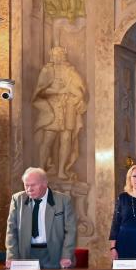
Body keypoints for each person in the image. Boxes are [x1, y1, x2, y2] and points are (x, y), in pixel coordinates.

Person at [32, 46, 88, 182]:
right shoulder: (47, 70)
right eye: (55, 54)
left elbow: (80, 89)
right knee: (48, 138)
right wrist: (56, 91)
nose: (58, 57)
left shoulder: (70, 71)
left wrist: (76, 96)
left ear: (64, 56)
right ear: (51, 56)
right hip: (52, 107)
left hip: (68, 106)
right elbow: (40, 91)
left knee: (67, 138)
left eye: (60, 54)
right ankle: (41, 169)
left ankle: (62, 170)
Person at [5, 167, 77, 269]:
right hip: (26, 255)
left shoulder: (63, 200)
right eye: (26, 185)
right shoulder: (17, 199)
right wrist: (11, 257)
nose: (29, 189)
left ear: (45, 183)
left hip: (55, 255)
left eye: (33, 185)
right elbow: (11, 231)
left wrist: (66, 256)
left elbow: (70, 231)